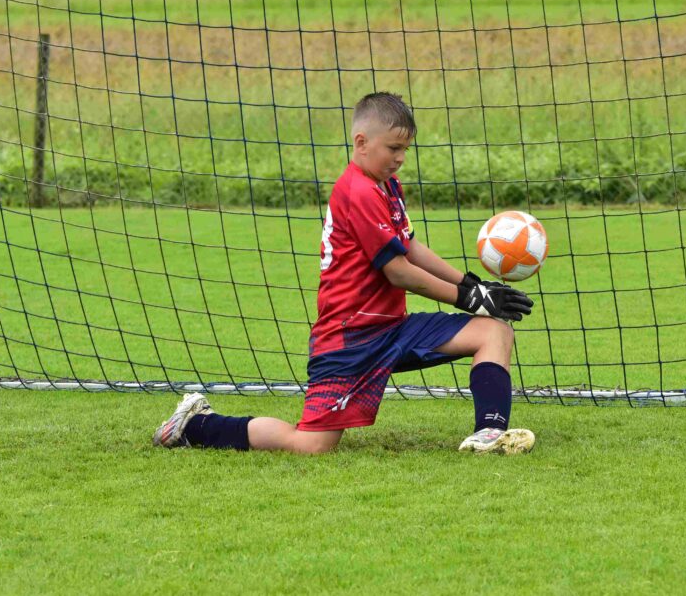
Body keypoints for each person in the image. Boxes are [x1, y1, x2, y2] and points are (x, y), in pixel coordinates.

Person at [153, 92, 536, 455]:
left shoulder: (387, 185)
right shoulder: (358, 191)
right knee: (312, 444)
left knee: (495, 331)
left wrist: (471, 285)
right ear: (361, 141)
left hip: (392, 327)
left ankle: (489, 433)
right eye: (393, 148)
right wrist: (469, 299)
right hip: (349, 338)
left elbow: (410, 247)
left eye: (405, 149)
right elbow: (399, 272)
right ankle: (196, 424)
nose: (401, 158)